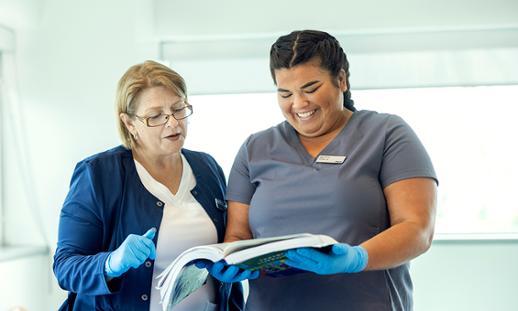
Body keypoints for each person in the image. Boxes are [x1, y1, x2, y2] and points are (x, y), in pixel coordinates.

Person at [217, 30, 438, 311]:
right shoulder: (254, 149)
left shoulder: (386, 134)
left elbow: (417, 229)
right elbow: (238, 236)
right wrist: (233, 262)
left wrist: (357, 258)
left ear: (341, 80)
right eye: (285, 93)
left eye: (310, 89)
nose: (298, 104)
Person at [53, 60, 245, 311]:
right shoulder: (98, 174)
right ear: (129, 123)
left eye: (179, 109)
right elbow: (65, 268)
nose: (174, 123)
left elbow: (227, 250)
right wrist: (110, 263)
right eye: (156, 116)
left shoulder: (207, 167)